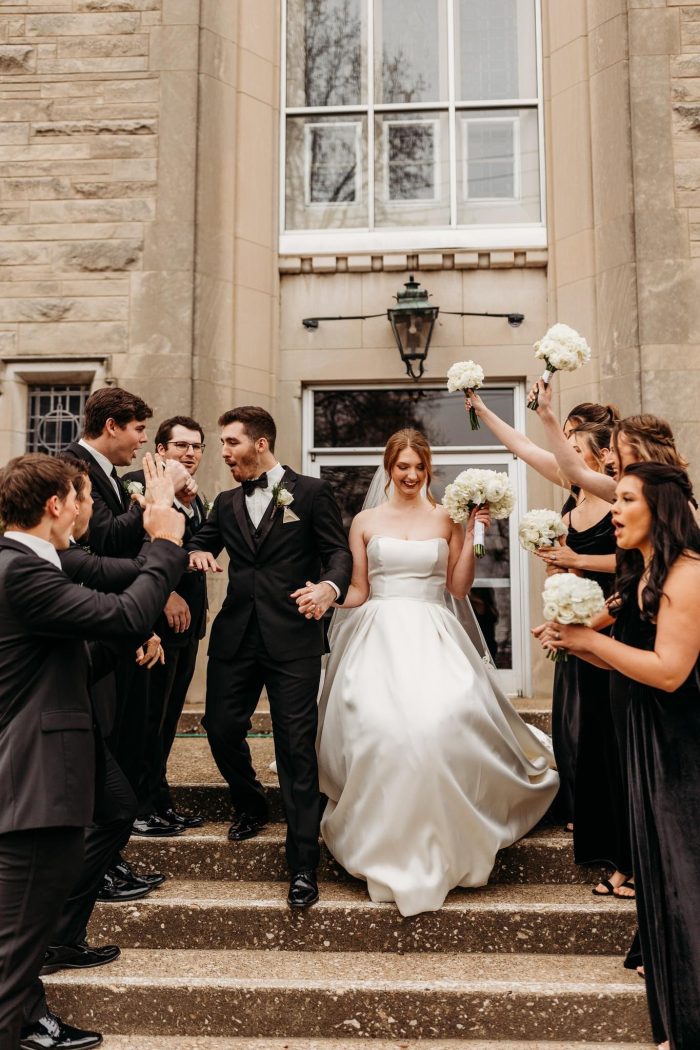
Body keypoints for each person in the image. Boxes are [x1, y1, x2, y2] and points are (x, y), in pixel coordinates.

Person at [311, 429, 559, 917]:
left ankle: (447, 837)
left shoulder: (449, 518)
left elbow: (459, 587)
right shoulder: (364, 520)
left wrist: (476, 532)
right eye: (401, 466)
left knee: (441, 722)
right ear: (388, 467)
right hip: (376, 634)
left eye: (418, 468)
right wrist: (329, 596)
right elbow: (360, 589)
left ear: (428, 470)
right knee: (382, 729)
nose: (409, 475)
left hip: (434, 631)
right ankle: (382, 840)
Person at [0, 453, 186, 1050]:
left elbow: (67, 664)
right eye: (80, 500)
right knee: (18, 935)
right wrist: (163, 542)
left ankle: (30, 1022)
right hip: (32, 779)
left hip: (40, 775)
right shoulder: (20, 570)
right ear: (56, 505)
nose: (86, 510)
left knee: (23, 929)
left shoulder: (25, 567)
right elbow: (128, 611)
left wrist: (120, 644)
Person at [539, 462, 700, 1050]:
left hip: (684, 751)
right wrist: (578, 645)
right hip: (647, 739)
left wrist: (591, 641)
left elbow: (670, 671)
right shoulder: (646, 573)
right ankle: (676, 1025)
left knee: (685, 885)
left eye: (626, 499)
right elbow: (622, 656)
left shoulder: (687, 576)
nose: (614, 511)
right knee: (659, 883)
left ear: (660, 508)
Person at [466, 391, 632, 897]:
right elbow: (522, 447)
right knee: (572, 722)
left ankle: (612, 833)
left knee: (605, 727)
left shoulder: (616, 493)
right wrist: (481, 407)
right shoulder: (572, 486)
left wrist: (576, 561)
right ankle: (584, 811)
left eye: (571, 443)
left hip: (614, 617)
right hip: (572, 617)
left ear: (598, 451)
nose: (562, 449)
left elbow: (637, 568)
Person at [186, 406, 352, 909]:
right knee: (219, 726)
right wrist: (193, 552)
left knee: (296, 749)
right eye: (221, 443)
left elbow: (337, 553)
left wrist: (328, 589)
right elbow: (201, 540)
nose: (223, 452)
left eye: (230, 442)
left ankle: (303, 865)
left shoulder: (313, 493)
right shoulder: (225, 500)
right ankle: (251, 802)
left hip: (293, 640)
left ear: (260, 444)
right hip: (235, 638)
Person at [124, 415, 209, 832]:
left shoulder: (198, 497)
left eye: (196, 447)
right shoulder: (136, 488)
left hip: (189, 627)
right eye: (180, 446)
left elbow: (188, 544)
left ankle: (160, 800)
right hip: (155, 621)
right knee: (146, 720)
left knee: (169, 718)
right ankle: (139, 810)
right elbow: (137, 548)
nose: (190, 453)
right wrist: (166, 594)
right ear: (160, 451)